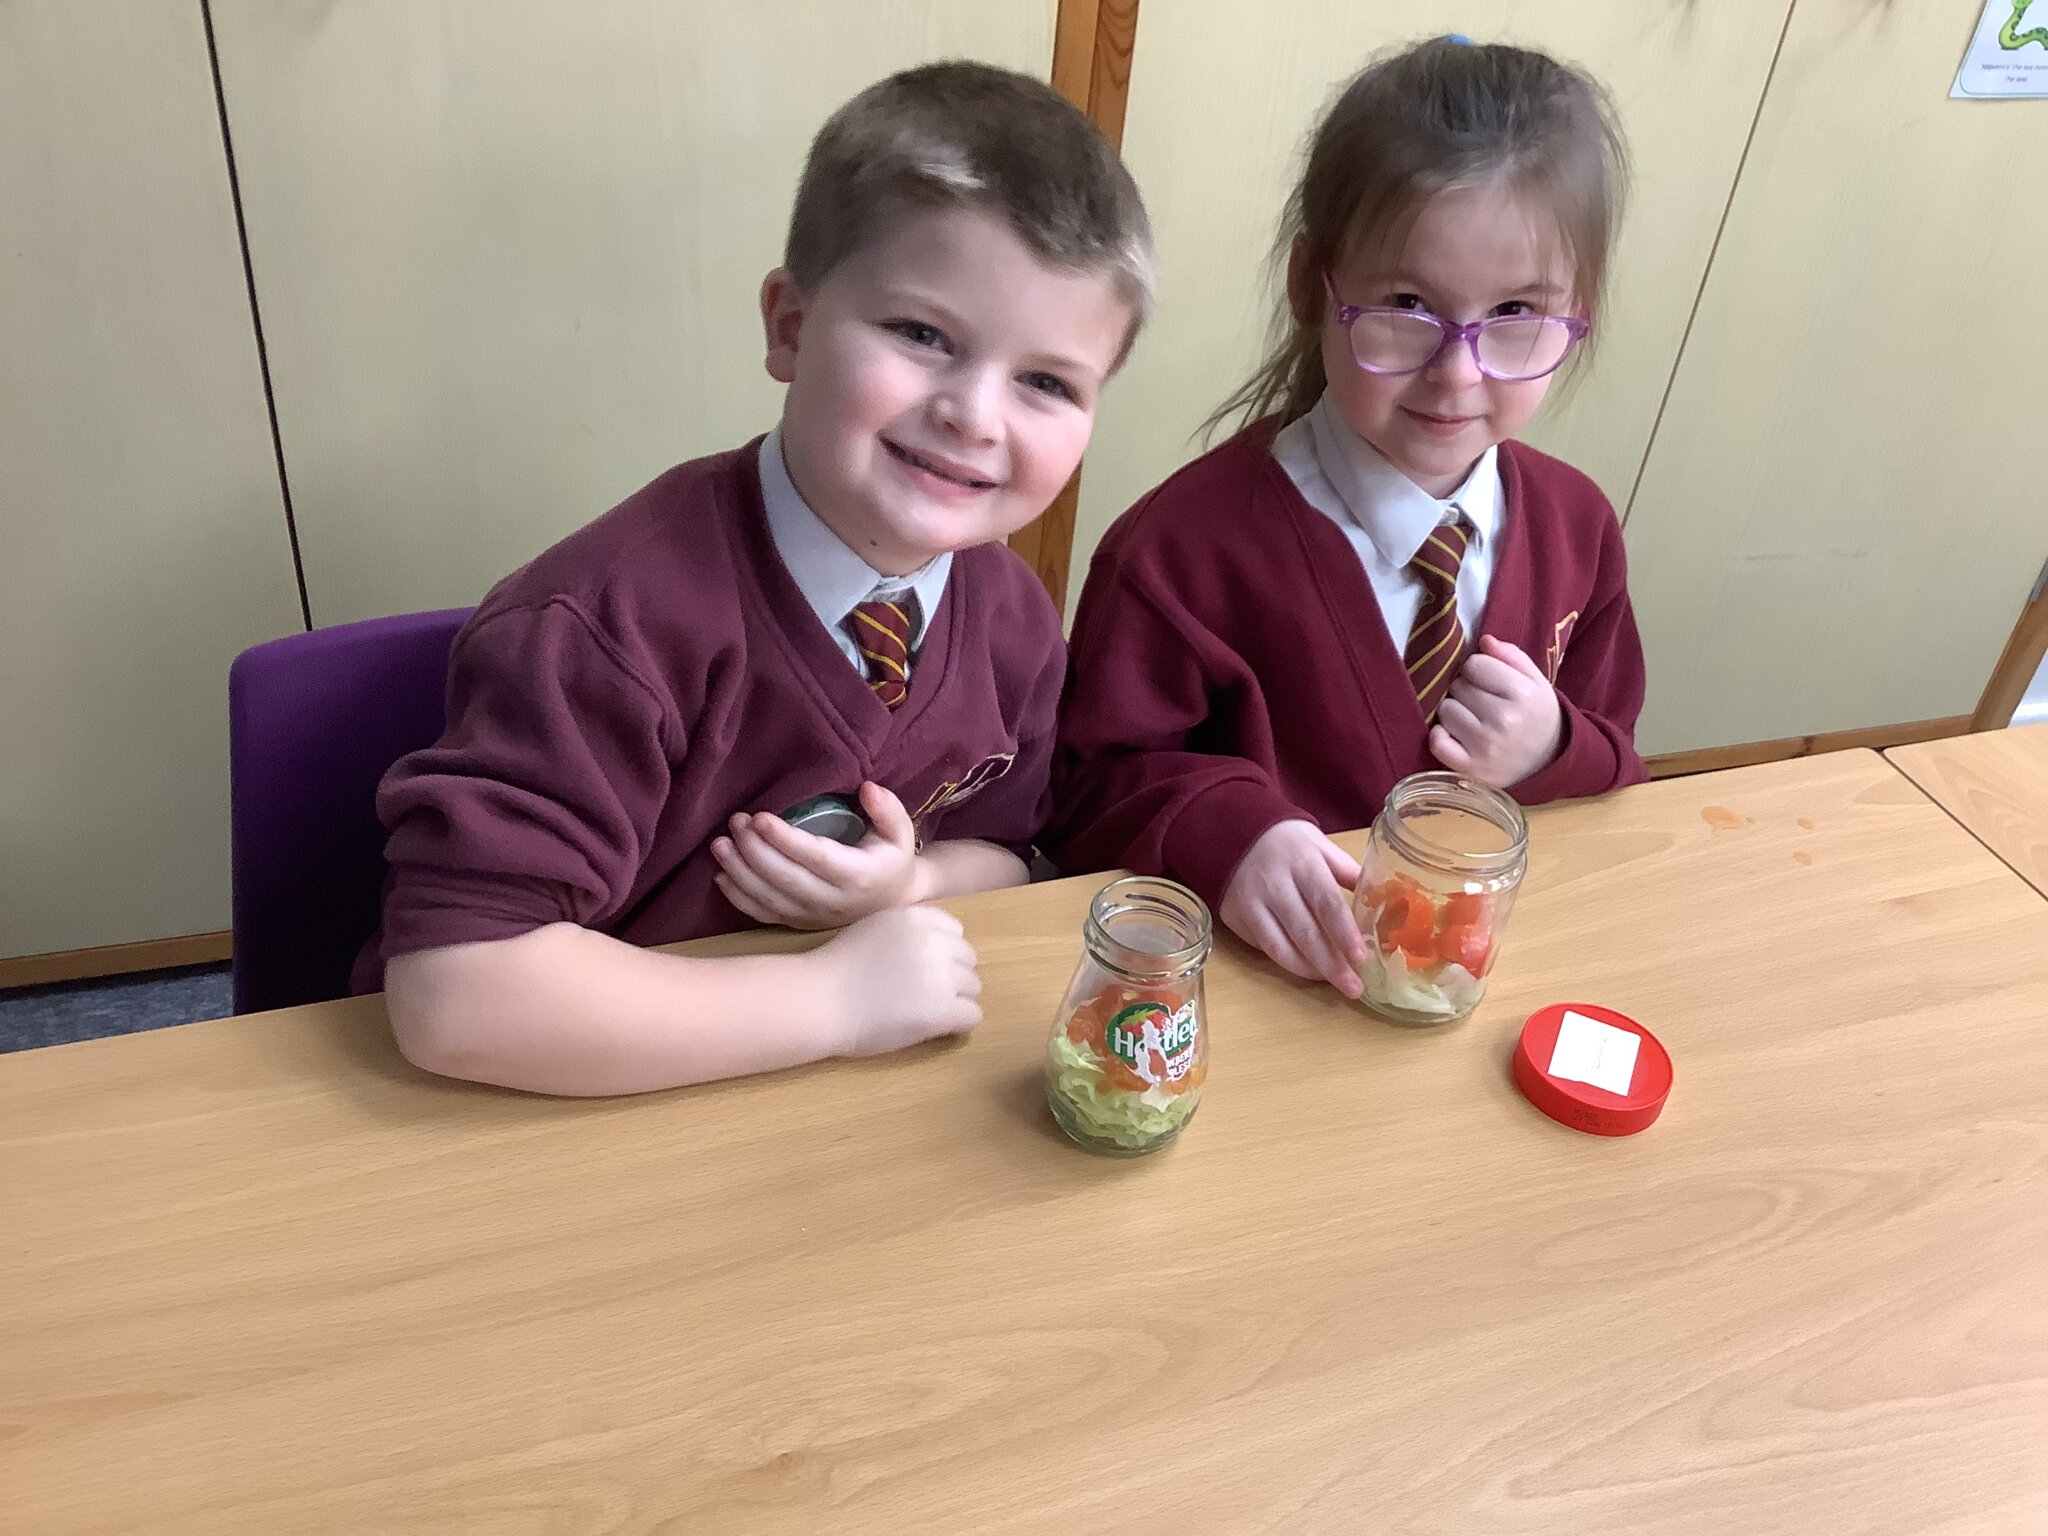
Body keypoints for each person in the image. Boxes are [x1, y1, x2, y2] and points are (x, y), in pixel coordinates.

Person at [357, 61, 1154, 1093]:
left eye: (1046, 382)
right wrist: (831, 1001)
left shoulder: (1012, 622)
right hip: (554, 1115)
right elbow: (455, 994)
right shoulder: (604, 628)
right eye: (922, 335)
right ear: (789, 327)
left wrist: (904, 884)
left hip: (811, 1113)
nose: (975, 415)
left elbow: (1006, 856)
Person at [1049, 37, 1644, 999]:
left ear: (1579, 313)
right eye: (1407, 305)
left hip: (1475, 981)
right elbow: (1082, 789)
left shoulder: (1580, 526)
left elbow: (1614, 751)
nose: (1458, 373)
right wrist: (1231, 836)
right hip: (1259, 998)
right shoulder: (1176, 555)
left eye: (1517, 314)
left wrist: (1550, 748)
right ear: (1311, 286)